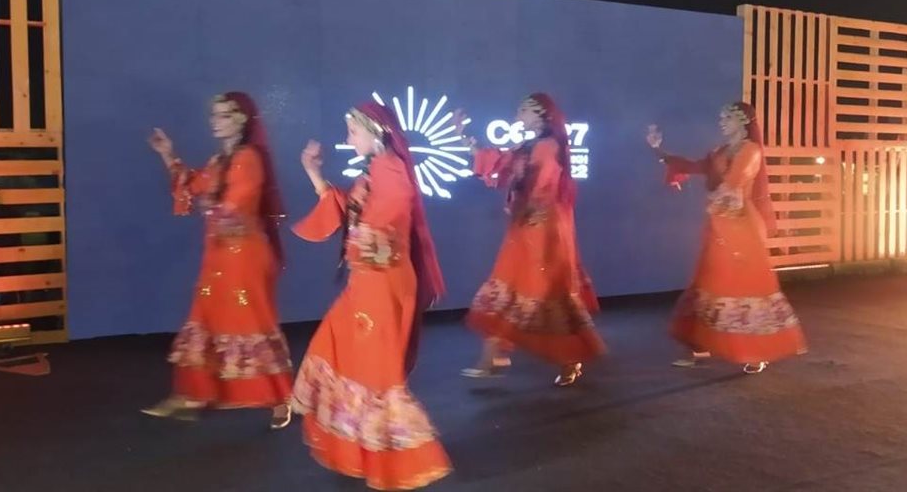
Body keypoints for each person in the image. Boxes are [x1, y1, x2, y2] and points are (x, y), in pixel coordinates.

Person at [290, 101, 451, 490]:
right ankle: (368, 451)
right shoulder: (375, 169)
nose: (348, 140)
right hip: (368, 281)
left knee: (375, 372)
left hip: (383, 283)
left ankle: (405, 459)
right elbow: (351, 211)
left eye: (353, 132)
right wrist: (314, 173)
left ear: (376, 132)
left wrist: (364, 242)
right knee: (340, 352)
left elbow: (385, 227)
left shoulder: (392, 170)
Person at [142, 92, 292, 427]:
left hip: (245, 257)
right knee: (204, 317)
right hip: (220, 254)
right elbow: (193, 184)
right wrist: (167, 154)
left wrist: (215, 208)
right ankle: (191, 393)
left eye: (223, 115)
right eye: (214, 114)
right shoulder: (219, 161)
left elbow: (236, 204)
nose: (215, 121)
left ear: (241, 120)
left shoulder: (248, 159)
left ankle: (280, 397)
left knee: (251, 323)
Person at [454, 93, 604, 386]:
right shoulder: (529, 146)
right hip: (525, 228)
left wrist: (528, 205)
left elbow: (544, 186)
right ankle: (492, 358)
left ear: (541, 114)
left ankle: (570, 358)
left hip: (543, 231)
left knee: (546, 294)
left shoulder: (549, 146)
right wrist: (463, 136)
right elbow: (499, 161)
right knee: (507, 287)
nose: (517, 114)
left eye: (523, 109)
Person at [647, 101, 807, 374]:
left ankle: (756, 352)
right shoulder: (720, 151)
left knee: (742, 288)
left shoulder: (750, 150)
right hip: (719, 226)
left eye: (727, 118)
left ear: (743, 121)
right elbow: (693, 167)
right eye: (721, 117)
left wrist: (717, 205)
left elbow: (734, 184)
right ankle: (699, 346)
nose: (721, 122)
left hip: (741, 227)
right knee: (707, 284)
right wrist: (658, 150)